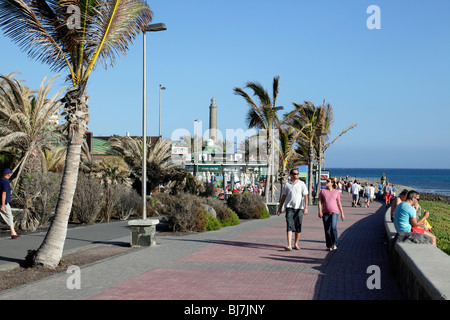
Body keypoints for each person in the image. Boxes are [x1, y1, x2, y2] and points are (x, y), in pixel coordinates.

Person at [277, 168, 309, 251]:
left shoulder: (302, 184)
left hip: (299, 208)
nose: (297, 175)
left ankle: (296, 243)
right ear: (291, 175)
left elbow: (305, 196)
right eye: (295, 174)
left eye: (298, 174)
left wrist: (306, 207)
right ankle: (289, 245)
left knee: (298, 227)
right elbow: (283, 197)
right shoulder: (287, 185)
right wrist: (280, 208)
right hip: (289, 208)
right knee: (289, 225)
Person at [318, 177, 345, 251]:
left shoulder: (336, 192)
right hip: (325, 213)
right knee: (327, 230)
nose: (326, 182)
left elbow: (339, 203)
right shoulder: (323, 191)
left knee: (333, 227)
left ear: (332, 183)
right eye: (326, 181)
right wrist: (319, 211)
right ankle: (329, 245)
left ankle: (335, 244)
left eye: (328, 181)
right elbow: (320, 202)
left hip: (334, 212)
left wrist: (342, 213)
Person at [0, 168, 21, 239]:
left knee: (9, 216)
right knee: (9, 216)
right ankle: (13, 233)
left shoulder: (1, 180)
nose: (11, 174)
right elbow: (4, 194)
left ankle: (13, 232)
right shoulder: (5, 182)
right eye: (10, 173)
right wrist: (3, 205)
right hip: (3, 203)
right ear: (8, 174)